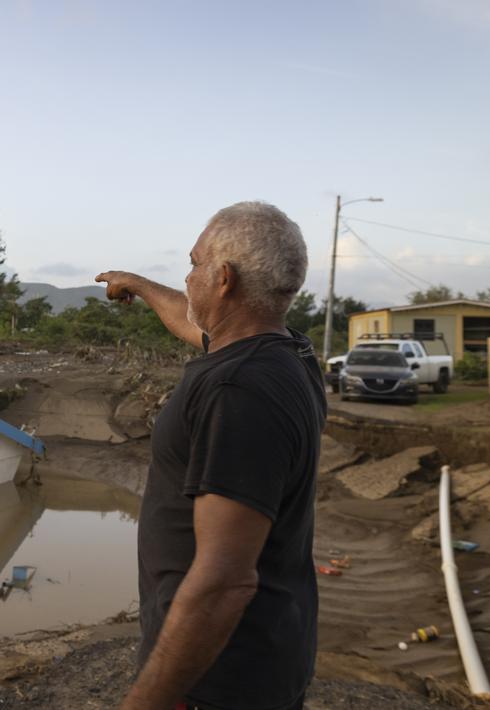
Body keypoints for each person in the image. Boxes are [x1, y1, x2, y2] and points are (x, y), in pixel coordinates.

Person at [96, 202, 325, 710]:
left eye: (194, 264)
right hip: (264, 658)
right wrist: (139, 284)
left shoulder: (238, 389)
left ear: (223, 279)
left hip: (217, 681)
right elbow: (194, 322)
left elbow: (224, 580)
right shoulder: (287, 352)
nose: (188, 276)